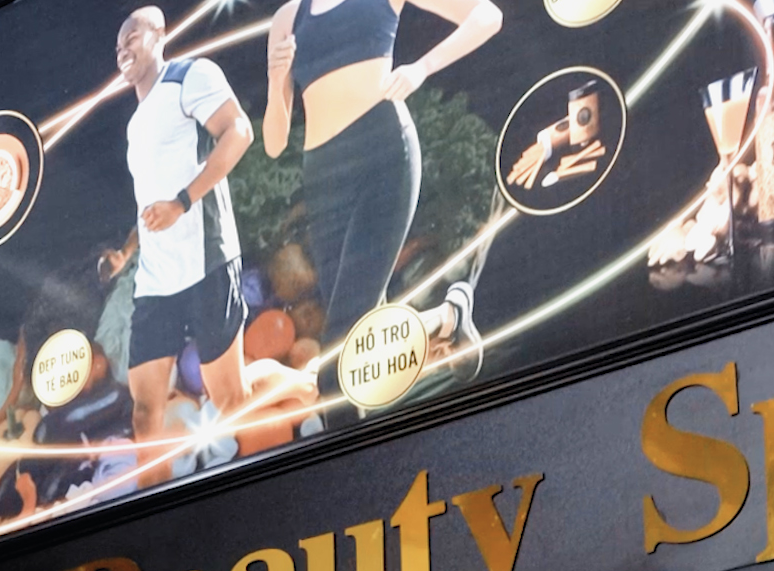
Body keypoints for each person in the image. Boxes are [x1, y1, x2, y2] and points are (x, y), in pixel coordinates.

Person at [260, 0, 503, 365]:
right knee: (362, 324)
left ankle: (336, 392)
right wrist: (277, 79)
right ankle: (447, 317)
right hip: (324, 175)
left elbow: (487, 16)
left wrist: (421, 68)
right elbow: (274, 143)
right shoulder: (288, 17)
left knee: (343, 339)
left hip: (383, 151)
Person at [104, 7, 255, 487]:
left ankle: (259, 485)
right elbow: (149, 203)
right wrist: (128, 252)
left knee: (230, 401)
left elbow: (240, 131)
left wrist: (183, 202)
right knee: (144, 412)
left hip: (206, 260)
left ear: (159, 35)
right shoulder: (134, 126)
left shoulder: (191, 76)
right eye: (117, 45)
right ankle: (156, 515)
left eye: (131, 37)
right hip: (156, 279)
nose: (123, 49)